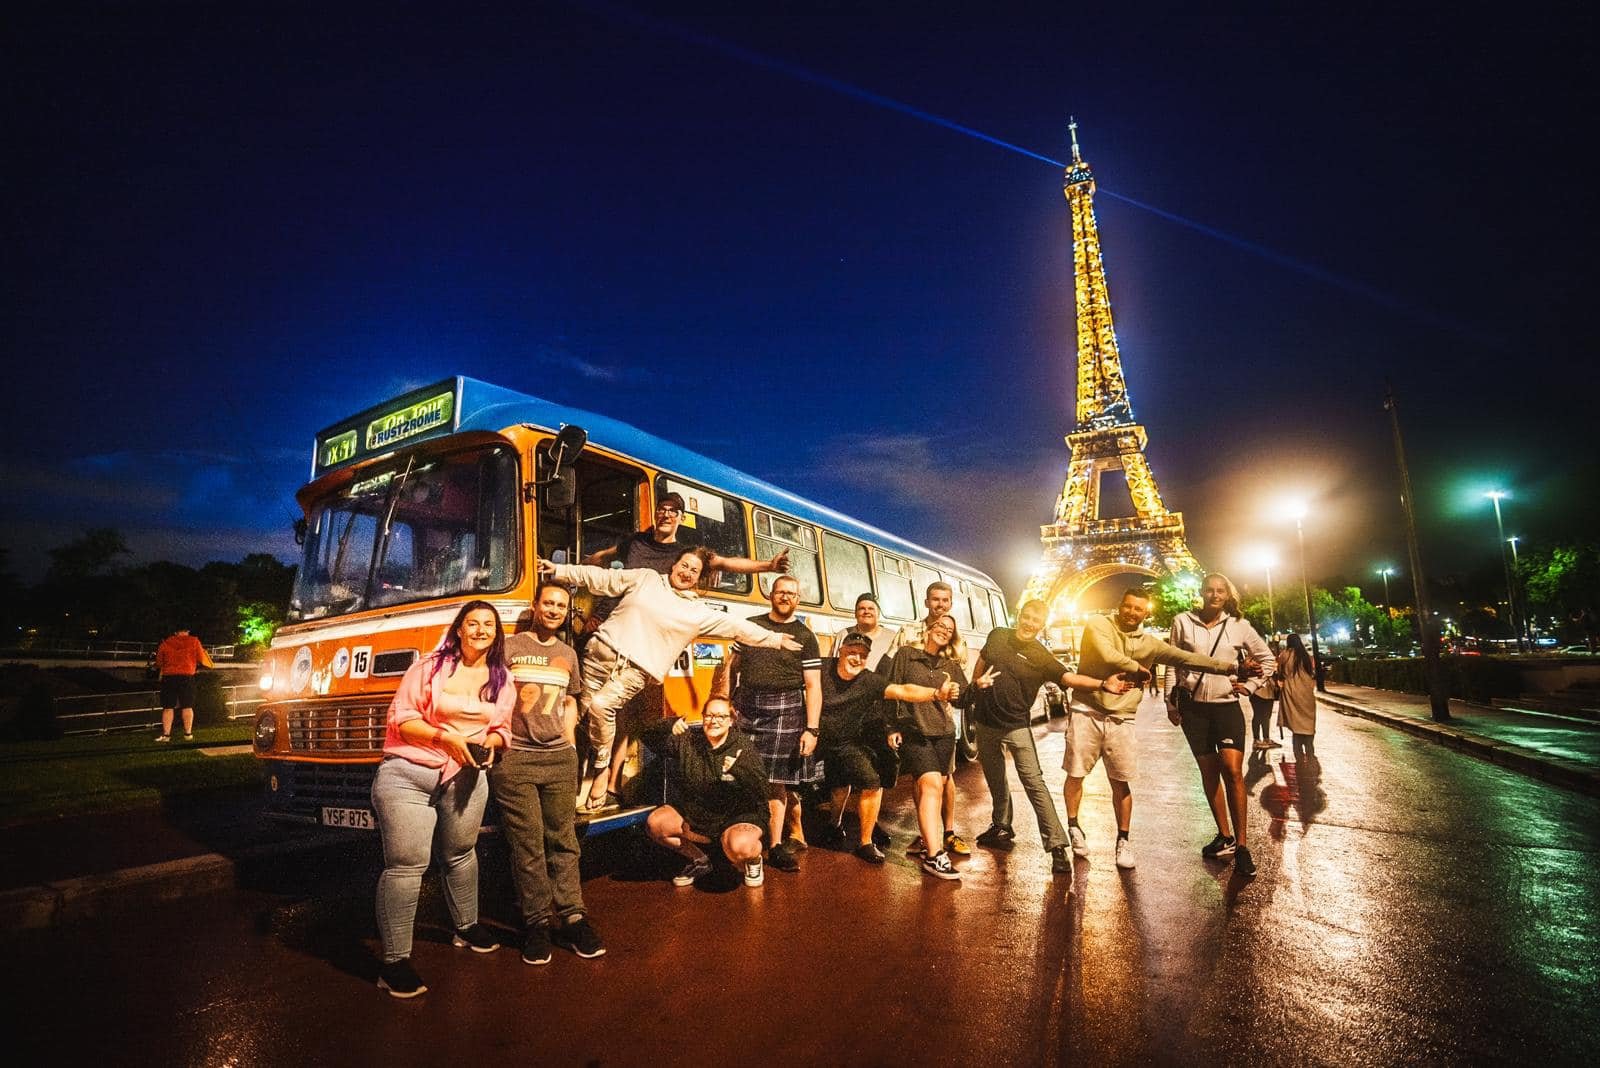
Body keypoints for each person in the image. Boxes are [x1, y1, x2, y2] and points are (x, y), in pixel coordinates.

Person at [541, 549, 804, 812]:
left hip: (637, 669)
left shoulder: (697, 612)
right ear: (674, 565)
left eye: (694, 571)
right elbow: (603, 578)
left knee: (601, 707)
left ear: (699, 579)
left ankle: (600, 771)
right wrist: (560, 570)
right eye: (684, 565)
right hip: (599, 654)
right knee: (582, 718)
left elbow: (736, 626)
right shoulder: (646, 578)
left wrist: (774, 639)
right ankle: (568, 785)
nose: (687, 573)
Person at [580, 491, 791, 806]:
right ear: (656, 513)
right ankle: (587, 776)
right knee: (594, 708)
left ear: (680, 518)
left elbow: (727, 564)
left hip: (649, 644)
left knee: (627, 715)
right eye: (662, 509)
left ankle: (611, 782)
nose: (667, 515)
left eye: (673, 511)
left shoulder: (686, 555)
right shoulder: (634, 542)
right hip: (614, 630)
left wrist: (768, 565)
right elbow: (602, 560)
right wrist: (583, 574)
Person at [371, 600, 514, 998]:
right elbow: (401, 718)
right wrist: (447, 737)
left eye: (488, 624)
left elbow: (503, 728)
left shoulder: (501, 677)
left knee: (461, 854)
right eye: (473, 623)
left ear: (496, 633)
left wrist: (492, 741)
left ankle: (466, 927)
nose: (481, 630)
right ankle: (394, 962)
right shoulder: (429, 667)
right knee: (406, 865)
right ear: (459, 629)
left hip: (467, 778)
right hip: (409, 773)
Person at [1064, 587, 1252, 871]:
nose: (1132, 612)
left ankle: (1123, 840)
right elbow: (1106, 653)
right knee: (1076, 774)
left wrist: (1229, 667)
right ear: (1120, 605)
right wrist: (1139, 669)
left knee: (1121, 780)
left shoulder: (1150, 643)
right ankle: (1074, 826)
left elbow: (1187, 658)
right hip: (1086, 710)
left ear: (1145, 612)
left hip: (1121, 716)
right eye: (1128, 606)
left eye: (1138, 609)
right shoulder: (1097, 624)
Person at [969, 599, 1134, 876]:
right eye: (1027, 617)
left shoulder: (1041, 656)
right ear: (1019, 615)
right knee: (995, 776)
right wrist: (974, 690)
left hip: (1015, 725)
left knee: (1034, 783)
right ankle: (1001, 825)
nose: (1029, 623)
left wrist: (1102, 684)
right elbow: (983, 660)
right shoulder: (997, 635)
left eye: (1036, 620)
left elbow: (1069, 678)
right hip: (985, 722)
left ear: (1041, 624)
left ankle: (1057, 845)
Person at [490, 583, 603, 965]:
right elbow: (489, 694)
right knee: (528, 843)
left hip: (559, 759)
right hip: (516, 759)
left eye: (561, 605)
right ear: (535, 606)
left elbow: (571, 699)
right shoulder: (510, 647)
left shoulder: (568, 653)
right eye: (548, 603)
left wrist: (569, 739)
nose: (554, 609)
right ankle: (536, 922)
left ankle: (573, 917)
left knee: (564, 840)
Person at [1163, 574, 1275, 879]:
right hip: (1194, 708)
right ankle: (1224, 835)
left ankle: (1242, 846)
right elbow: (1173, 662)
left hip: (1226, 708)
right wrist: (1170, 701)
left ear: (1227, 595)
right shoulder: (1182, 621)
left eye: (1220, 590)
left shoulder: (1239, 625)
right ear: (1201, 592)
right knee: (1209, 773)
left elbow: (1268, 660)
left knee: (1233, 771)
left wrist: (1250, 686)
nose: (1214, 594)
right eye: (1209, 589)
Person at [815, 631, 961, 863]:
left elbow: (903, 690)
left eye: (862, 655)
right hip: (815, 735)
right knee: (795, 780)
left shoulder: (868, 679)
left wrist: (935, 694)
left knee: (871, 780)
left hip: (846, 741)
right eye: (851, 652)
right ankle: (816, 830)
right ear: (840, 651)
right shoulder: (821, 667)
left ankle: (865, 842)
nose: (856, 658)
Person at [715, 574, 822, 873]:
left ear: (798, 599)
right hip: (745, 705)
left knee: (777, 782)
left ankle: (774, 845)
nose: (785, 597)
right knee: (738, 774)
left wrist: (811, 729)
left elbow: (813, 686)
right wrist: (724, 702)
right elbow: (730, 667)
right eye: (780, 592)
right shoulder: (751, 625)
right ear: (770, 595)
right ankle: (734, 835)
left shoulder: (805, 636)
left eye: (791, 593)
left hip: (786, 708)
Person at [640, 697, 770, 888]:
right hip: (699, 813)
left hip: (737, 815)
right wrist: (669, 725)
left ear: (731, 720)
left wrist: (739, 770)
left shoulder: (743, 748)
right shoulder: (689, 740)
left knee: (738, 847)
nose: (713, 721)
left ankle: (753, 860)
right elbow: (647, 736)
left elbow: (762, 791)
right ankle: (700, 860)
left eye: (720, 716)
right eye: (709, 715)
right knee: (656, 823)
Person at [883, 613, 971, 881]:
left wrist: (976, 687)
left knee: (934, 788)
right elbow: (889, 690)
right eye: (940, 625)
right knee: (931, 784)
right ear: (929, 627)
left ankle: (926, 842)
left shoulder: (950, 664)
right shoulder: (906, 655)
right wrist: (891, 727)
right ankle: (935, 855)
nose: (944, 630)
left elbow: (963, 700)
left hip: (944, 733)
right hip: (915, 731)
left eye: (949, 629)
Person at [154, 626, 214, 742]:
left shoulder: (166, 643)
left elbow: (159, 661)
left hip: (169, 677)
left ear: (175, 631)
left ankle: (166, 735)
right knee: (187, 706)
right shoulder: (194, 641)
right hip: (187, 677)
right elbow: (201, 658)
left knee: (168, 707)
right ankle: (188, 734)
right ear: (188, 631)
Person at [1276, 633, 1318, 761]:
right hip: (1306, 691)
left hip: (1291, 690)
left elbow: (1280, 672)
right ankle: (1309, 746)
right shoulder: (1306, 656)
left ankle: (1298, 752)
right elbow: (1312, 672)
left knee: (1295, 721)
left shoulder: (1284, 655)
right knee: (1307, 720)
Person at [1251, 639, 1282, 750]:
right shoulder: (1253, 659)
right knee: (1258, 715)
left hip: (1269, 690)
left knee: (1266, 716)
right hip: (1257, 690)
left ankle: (1266, 738)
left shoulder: (1269, 660)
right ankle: (1256, 739)